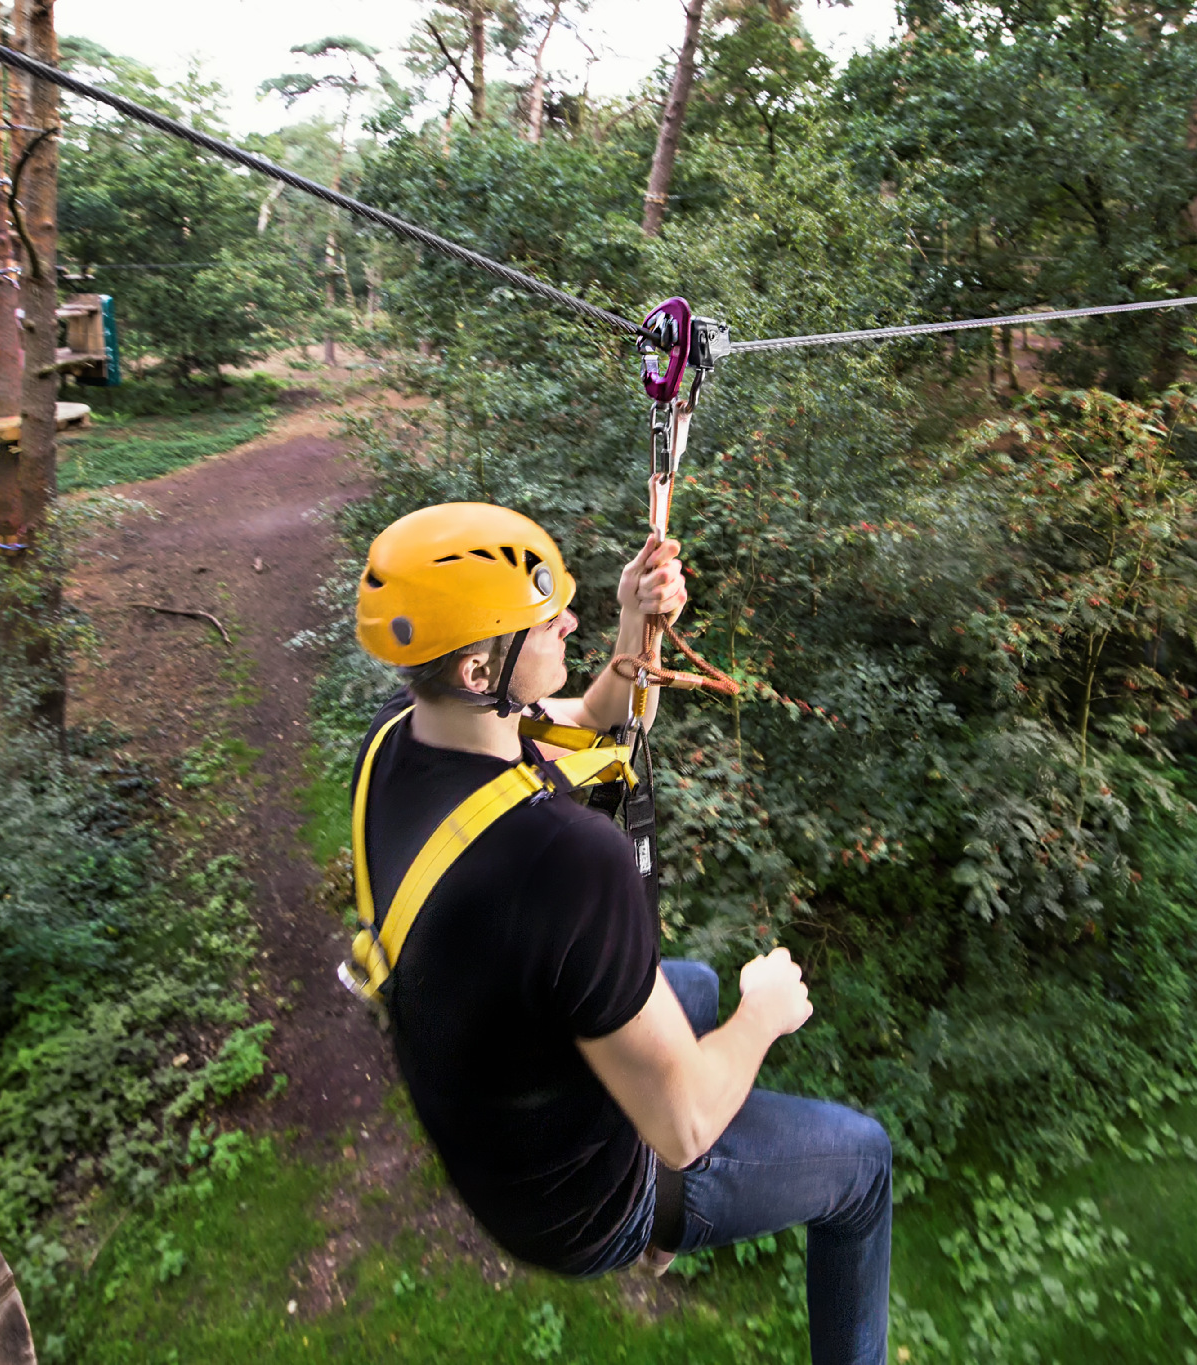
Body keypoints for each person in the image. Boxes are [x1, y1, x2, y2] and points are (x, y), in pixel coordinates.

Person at [349, 501, 892, 1365]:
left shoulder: (398, 741)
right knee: (860, 1159)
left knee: (692, 989)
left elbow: (600, 724)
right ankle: (656, 1227)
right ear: (483, 663)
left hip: (493, 1128)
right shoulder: (566, 859)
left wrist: (635, 621)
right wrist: (766, 1013)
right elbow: (679, 1129)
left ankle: (667, 1213)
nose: (568, 617)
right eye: (545, 615)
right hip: (575, 1207)